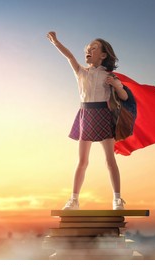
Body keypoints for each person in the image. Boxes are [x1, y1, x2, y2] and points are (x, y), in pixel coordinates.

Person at [47, 31, 128, 210]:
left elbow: (123, 96)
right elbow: (69, 56)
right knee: (82, 161)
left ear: (103, 55)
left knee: (110, 160)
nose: (88, 50)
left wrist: (116, 85)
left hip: (103, 115)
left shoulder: (109, 75)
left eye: (94, 47)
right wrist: (56, 42)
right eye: (87, 48)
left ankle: (117, 199)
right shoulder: (81, 72)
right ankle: (74, 200)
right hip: (86, 115)